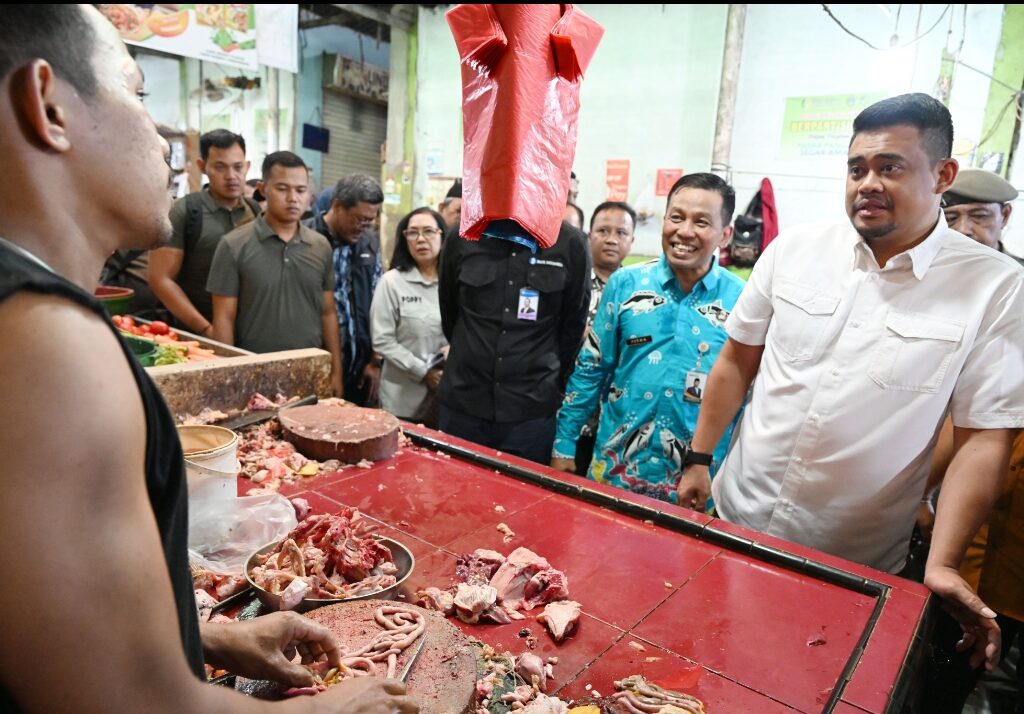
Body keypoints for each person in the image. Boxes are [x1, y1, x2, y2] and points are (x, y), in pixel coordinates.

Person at [0, 5, 414, 712]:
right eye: (137, 92)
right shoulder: (46, 339)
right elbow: (123, 700)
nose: (165, 138)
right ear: (49, 105)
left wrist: (206, 637)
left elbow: (44, 621)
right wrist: (327, 709)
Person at [677, 93, 1024, 673]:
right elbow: (738, 361)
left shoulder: (993, 287)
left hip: (853, 561)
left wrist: (942, 563)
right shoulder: (795, 250)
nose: (868, 182)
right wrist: (699, 456)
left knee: (801, 681)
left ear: (942, 175)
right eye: (857, 167)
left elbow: (983, 437)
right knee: (699, 664)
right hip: (735, 517)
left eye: (891, 167)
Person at [551, 174, 744, 502]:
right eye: (677, 217)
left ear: (725, 234)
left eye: (701, 222)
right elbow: (590, 370)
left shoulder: (743, 302)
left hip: (696, 484)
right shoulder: (626, 285)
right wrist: (564, 445)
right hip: (615, 475)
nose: (684, 231)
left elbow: (745, 395)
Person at [913, 169, 1024, 713]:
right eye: (951, 218)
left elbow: (985, 422)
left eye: (979, 217)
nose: (966, 230)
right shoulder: (926, 291)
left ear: (1005, 217)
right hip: (936, 520)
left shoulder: (1014, 293)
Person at [438, 220, 591, 465]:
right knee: (453, 494)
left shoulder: (570, 242)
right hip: (463, 403)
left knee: (521, 499)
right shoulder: (463, 234)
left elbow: (572, 326)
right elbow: (449, 312)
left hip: (530, 411)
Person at [207, 151, 343, 396]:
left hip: (309, 373)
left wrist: (335, 372)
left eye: (301, 190)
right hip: (253, 375)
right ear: (263, 188)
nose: (293, 198)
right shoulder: (233, 245)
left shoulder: (320, 246)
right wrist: (226, 378)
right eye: (282, 189)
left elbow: (328, 312)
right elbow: (224, 318)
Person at [149, 128, 260, 337]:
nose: (231, 176)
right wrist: (207, 329)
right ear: (202, 166)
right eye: (220, 167)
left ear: (247, 166)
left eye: (238, 167)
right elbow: (160, 280)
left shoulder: (255, 212)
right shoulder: (186, 211)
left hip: (246, 332)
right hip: (194, 335)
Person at [569, 201, 636, 476]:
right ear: (589, 234)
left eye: (621, 233)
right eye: (603, 231)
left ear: (632, 241)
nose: (611, 239)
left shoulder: (639, 294)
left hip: (618, 429)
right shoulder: (572, 284)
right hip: (572, 421)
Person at [305, 174, 385, 405]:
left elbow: (377, 305)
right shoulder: (306, 241)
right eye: (359, 219)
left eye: (370, 221)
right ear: (337, 205)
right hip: (317, 365)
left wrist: (374, 361)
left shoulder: (369, 243)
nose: (364, 227)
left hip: (361, 370)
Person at [370, 207, 448, 424]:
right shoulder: (392, 282)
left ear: (442, 234)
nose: (421, 239)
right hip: (402, 398)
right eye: (412, 232)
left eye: (429, 231)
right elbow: (382, 340)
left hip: (446, 396)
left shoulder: (455, 281)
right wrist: (423, 372)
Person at [942, 168, 1020, 265]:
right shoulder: (926, 270)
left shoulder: (1018, 277)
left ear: (1004, 215)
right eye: (950, 218)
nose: (963, 230)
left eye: (979, 216)